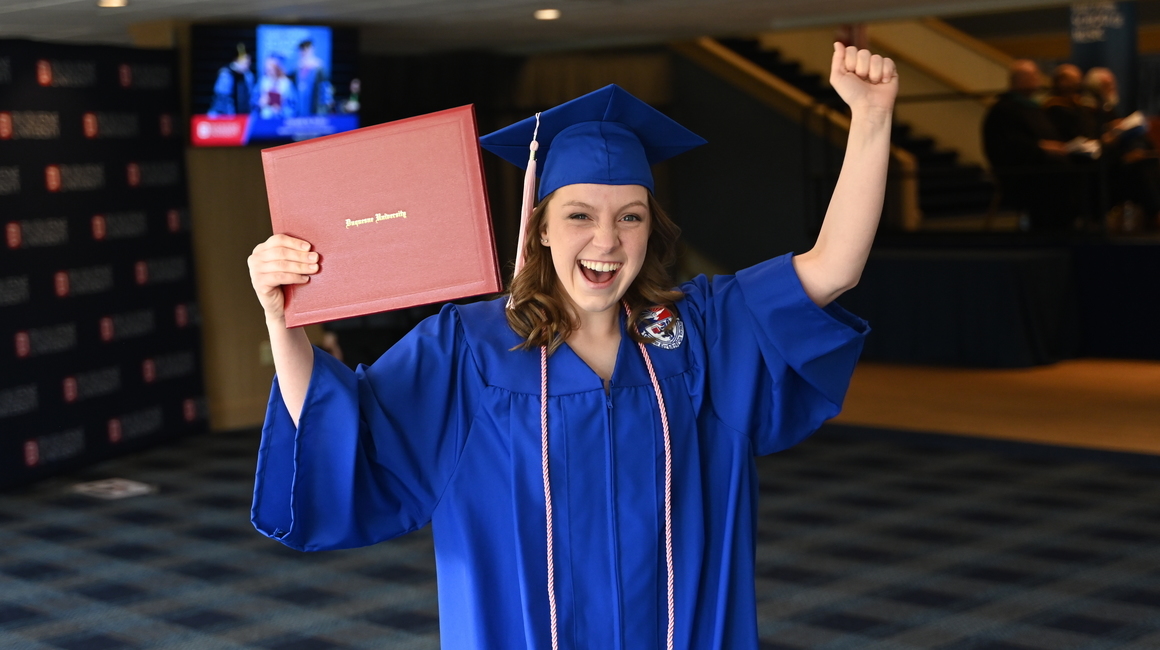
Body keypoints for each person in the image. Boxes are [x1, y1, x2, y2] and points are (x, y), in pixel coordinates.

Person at [247, 43, 895, 650]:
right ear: (543, 228)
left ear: (653, 229)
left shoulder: (701, 331)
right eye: (580, 214)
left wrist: (870, 119)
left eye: (630, 216)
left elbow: (833, 267)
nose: (607, 240)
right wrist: (285, 322)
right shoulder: (469, 348)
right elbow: (344, 427)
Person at [982, 59, 1080, 232]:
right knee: (1058, 170)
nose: (1039, 80)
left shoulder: (1033, 108)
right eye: (1034, 76)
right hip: (1022, 171)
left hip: (1042, 163)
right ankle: (1055, 229)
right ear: (1020, 80)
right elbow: (1008, 147)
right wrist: (1040, 148)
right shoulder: (1003, 110)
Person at [208, 44, 254, 117]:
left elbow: (250, 97)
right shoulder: (226, 74)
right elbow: (222, 100)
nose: (248, 65)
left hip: (243, 117)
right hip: (224, 117)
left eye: (249, 62)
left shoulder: (248, 76)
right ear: (236, 61)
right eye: (245, 62)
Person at [290, 39, 333, 116]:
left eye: (306, 49)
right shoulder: (297, 68)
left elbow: (325, 86)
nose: (304, 52)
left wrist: (327, 101)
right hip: (300, 102)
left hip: (315, 102)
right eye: (302, 49)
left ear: (311, 49)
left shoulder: (319, 67)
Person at [256, 53, 295, 119]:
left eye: (272, 67)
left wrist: (281, 110)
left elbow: (293, 106)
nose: (269, 69)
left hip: (282, 121)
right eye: (267, 67)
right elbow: (254, 101)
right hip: (264, 120)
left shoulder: (287, 84)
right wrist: (260, 103)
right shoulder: (262, 83)